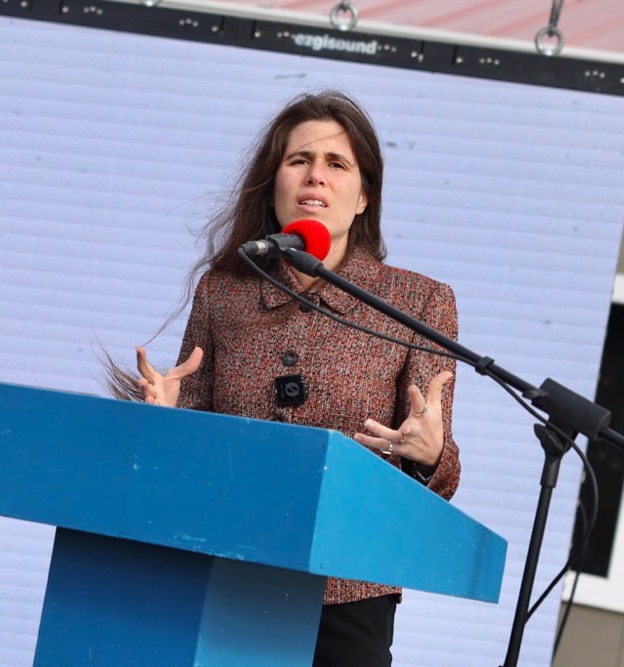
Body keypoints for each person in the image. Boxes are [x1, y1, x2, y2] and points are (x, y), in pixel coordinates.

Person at [108, 90, 460, 667]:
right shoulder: (223, 293)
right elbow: (192, 446)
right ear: (274, 186)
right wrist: (166, 420)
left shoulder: (419, 302)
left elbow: (437, 471)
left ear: (364, 196)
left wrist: (429, 456)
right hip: (230, 571)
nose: (315, 175)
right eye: (299, 160)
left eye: (337, 163)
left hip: (348, 589)